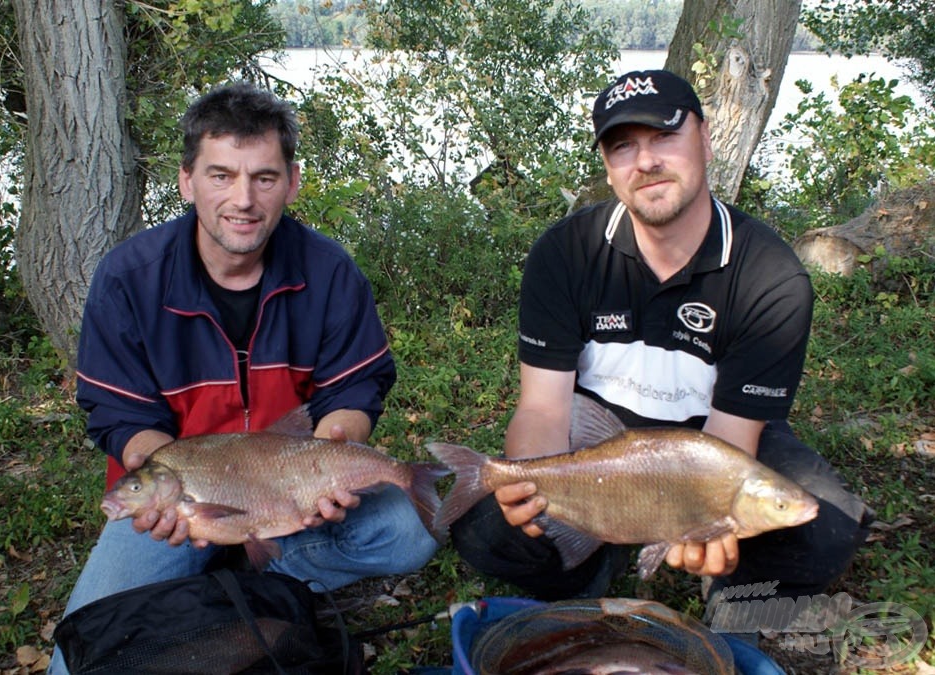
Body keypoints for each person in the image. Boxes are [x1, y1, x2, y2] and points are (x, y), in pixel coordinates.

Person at [49, 83, 438, 674]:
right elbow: (118, 415)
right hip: (173, 514)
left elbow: (355, 391)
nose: (243, 199)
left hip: (287, 487)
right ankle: (227, 589)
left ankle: (253, 579)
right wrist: (167, 488)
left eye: (263, 177)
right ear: (187, 181)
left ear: (292, 182)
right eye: (221, 175)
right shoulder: (129, 279)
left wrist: (333, 448)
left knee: (407, 535)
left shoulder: (328, 273)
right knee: (80, 660)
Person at [449, 70, 871, 610]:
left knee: (823, 534)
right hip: (596, 442)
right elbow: (543, 410)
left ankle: (703, 570)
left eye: (665, 136)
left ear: (707, 139)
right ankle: (597, 549)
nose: (645, 162)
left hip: (708, 447)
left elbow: (729, 446)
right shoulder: (564, 252)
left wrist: (707, 525)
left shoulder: (770, 276)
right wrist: (533, 485)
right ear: (608, 166)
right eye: (624, 147)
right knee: (489, 533)